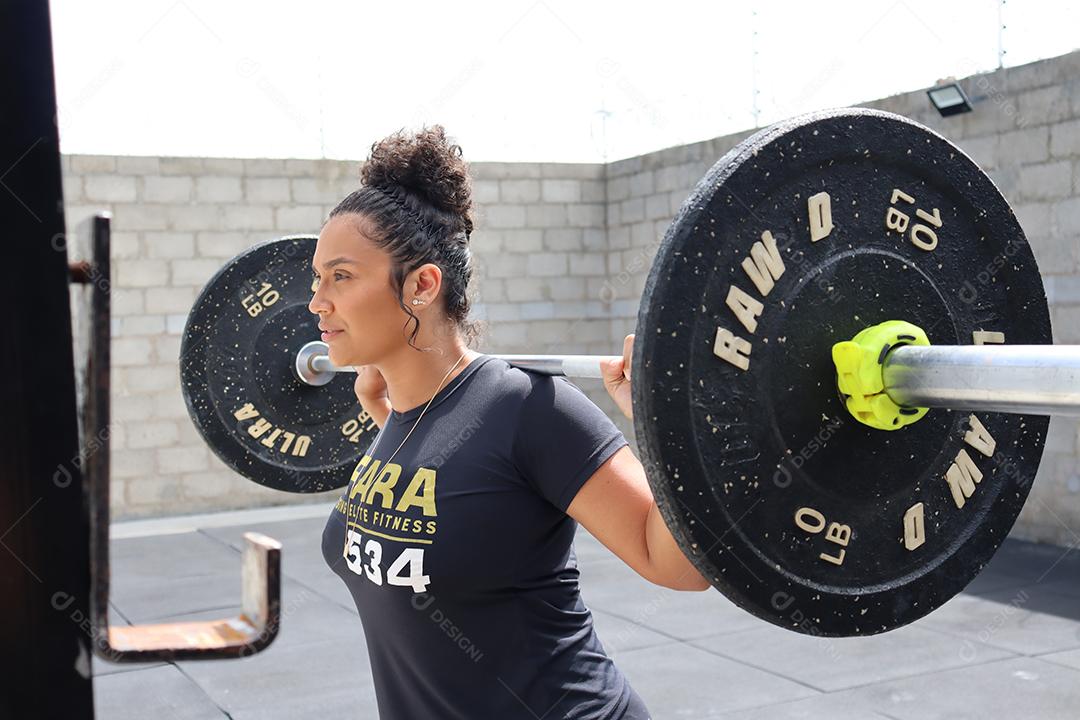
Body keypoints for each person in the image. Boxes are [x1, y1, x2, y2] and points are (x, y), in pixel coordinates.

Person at [311, 125, 709, 720]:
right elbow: (448, 489)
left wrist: (667, 427)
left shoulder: (527, 408)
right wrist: (388, 408)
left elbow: (674, 564)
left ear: (422, 285)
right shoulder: (399, 419)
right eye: (317, 279)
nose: (318, 301)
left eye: (341, 277)